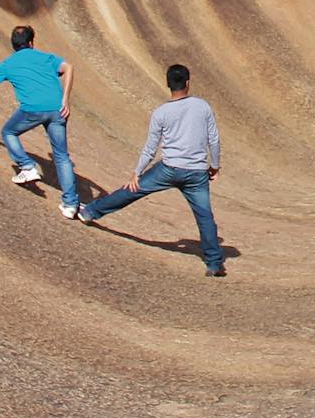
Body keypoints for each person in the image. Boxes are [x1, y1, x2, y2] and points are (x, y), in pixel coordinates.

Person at [78, 64, 226, 277]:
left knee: (132, 191)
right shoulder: (202, 106)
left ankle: (90, 212)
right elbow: (214, 139)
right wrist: (215, 165)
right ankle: (214, 264)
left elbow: (150, 147)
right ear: (188, 83)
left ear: (168, 84)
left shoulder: (161, 112)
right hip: (196, 172)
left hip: (168, 169)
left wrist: (137, 172)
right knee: (204, 216)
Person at [0, 26, 81, 218]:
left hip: (32, 109)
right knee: (62, 156)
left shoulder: (8, 64)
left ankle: (27, 166)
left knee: (8, 132)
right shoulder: (45, 57)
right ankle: (70, 204)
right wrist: (66, 99)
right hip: (58, 110)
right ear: (31, 43)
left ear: (14, 45)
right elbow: (69, 67)